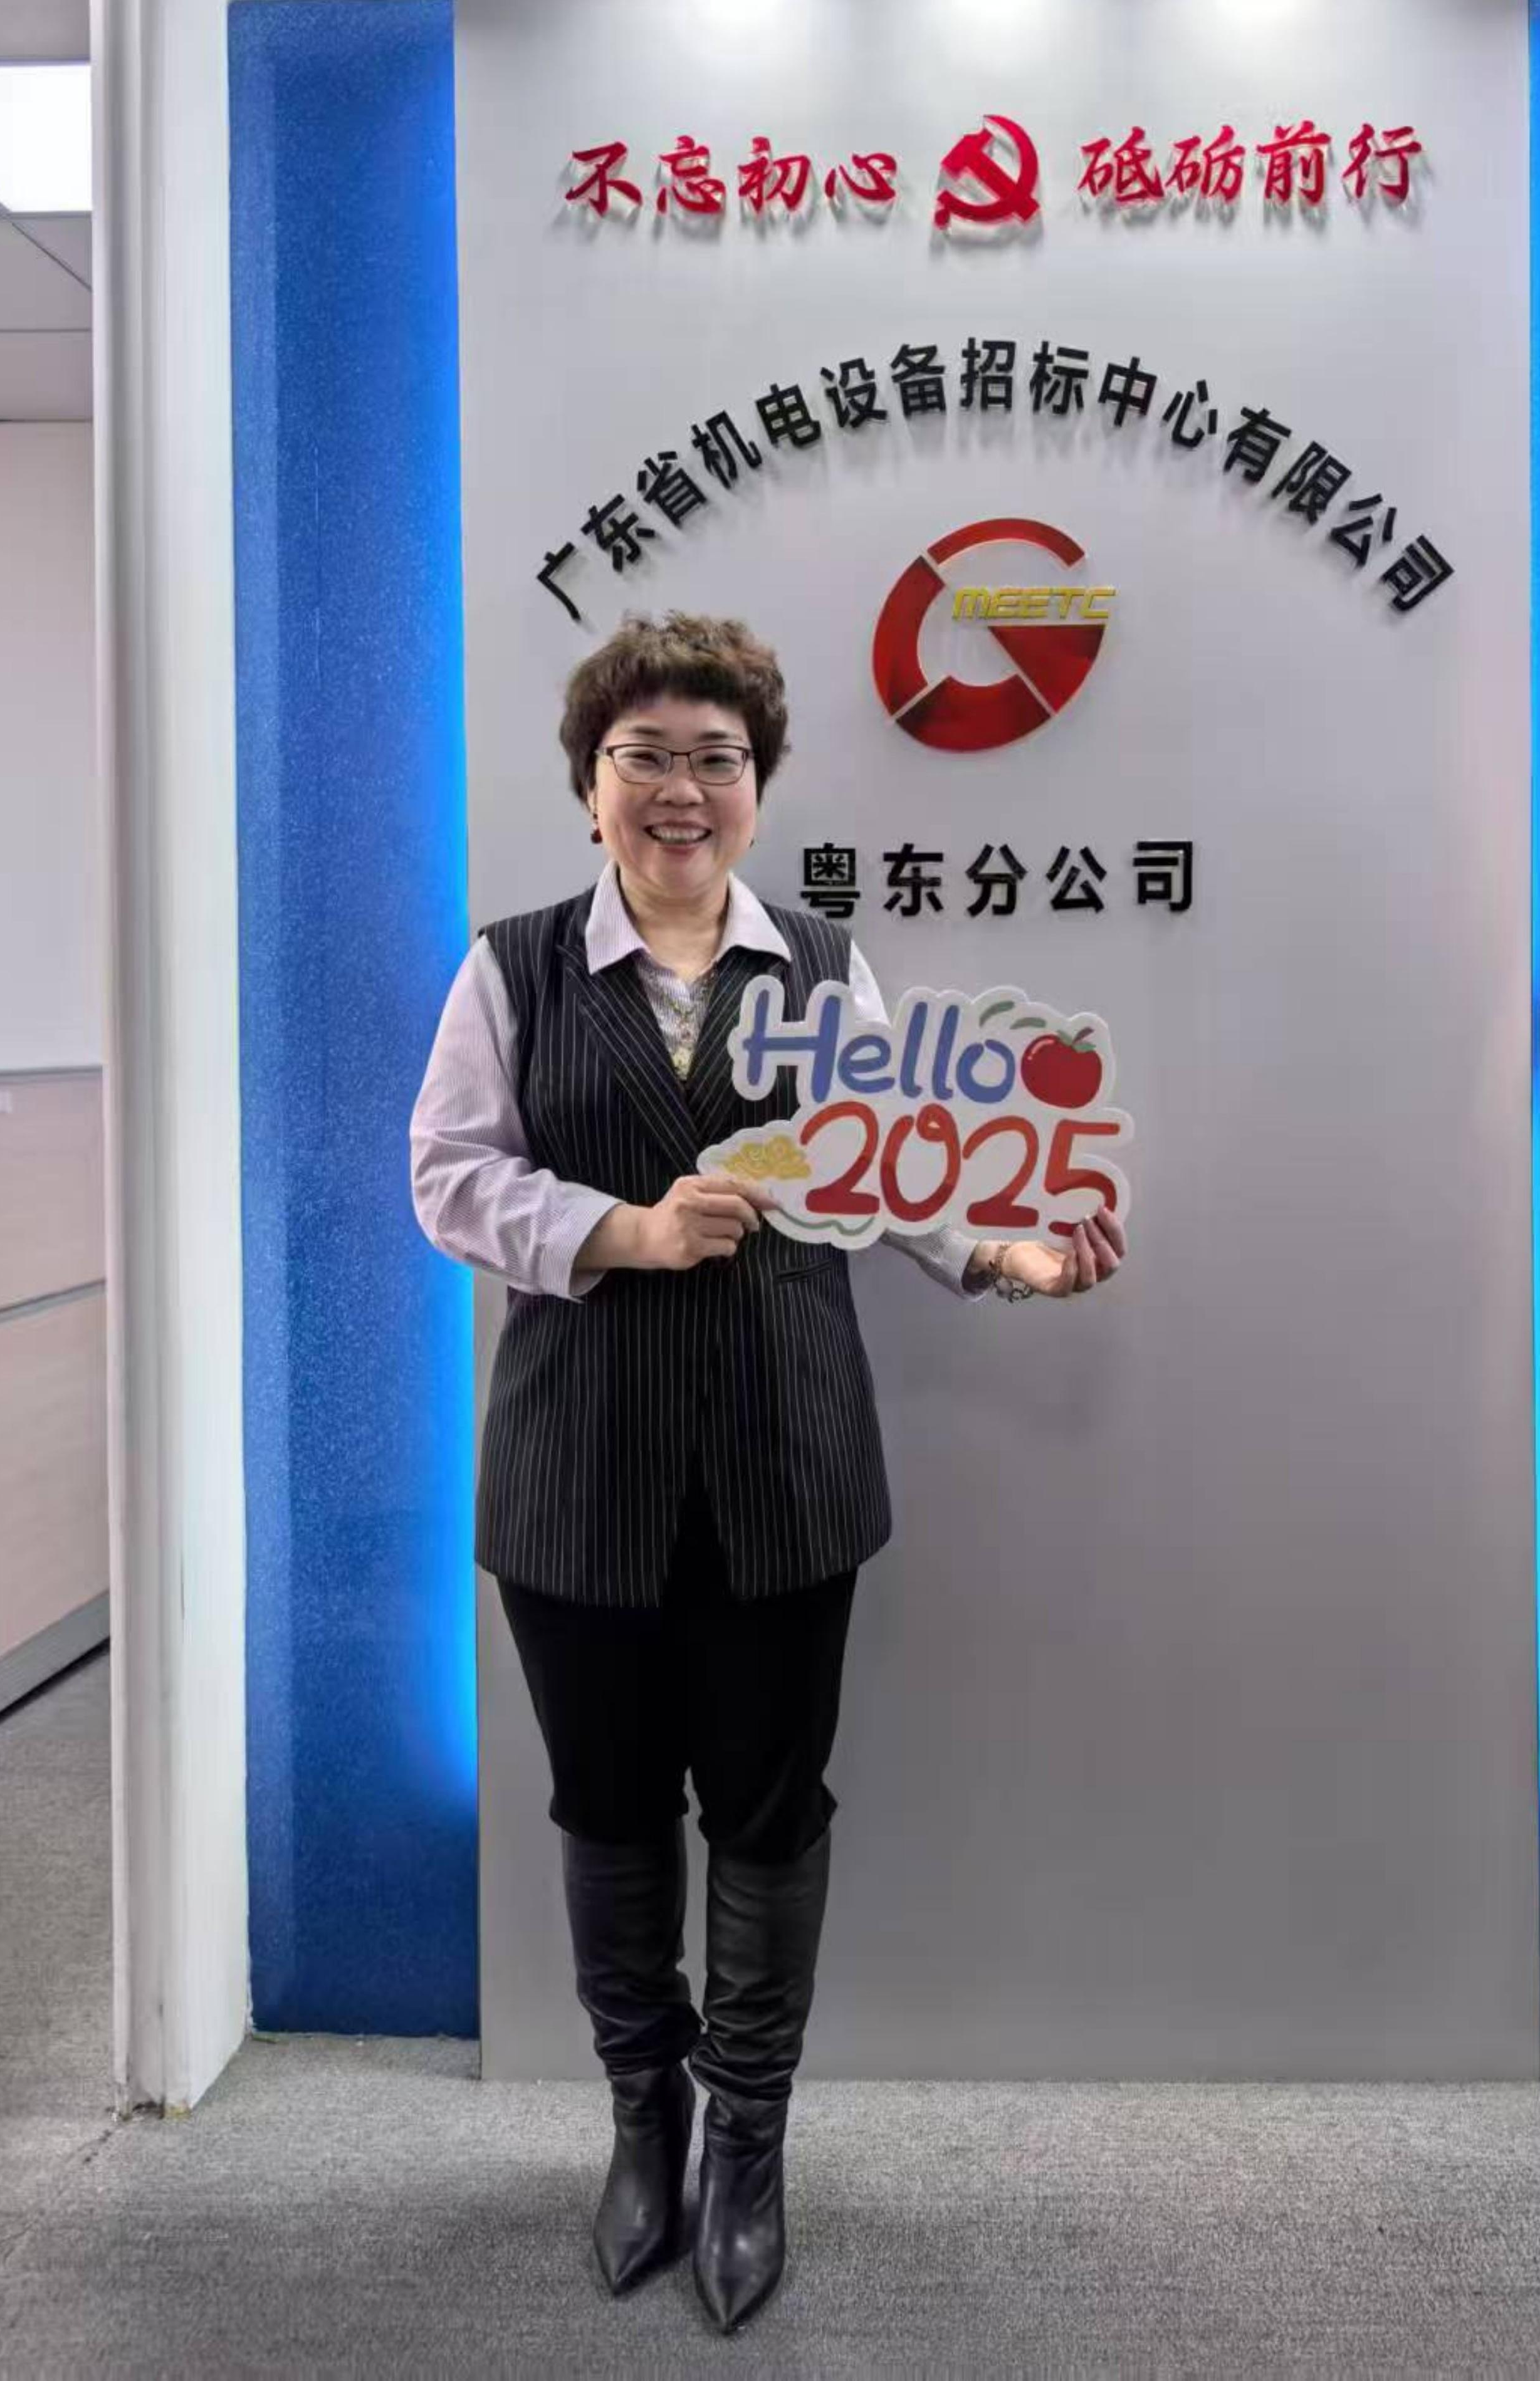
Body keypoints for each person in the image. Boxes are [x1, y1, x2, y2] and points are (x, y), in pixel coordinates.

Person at [409, 611, 1126, 2335]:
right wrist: (624, 1230)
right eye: (644, 757)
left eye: (715, 760)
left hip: (786, 1465)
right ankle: (640, 2122)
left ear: (758, 787)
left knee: (768, 1807)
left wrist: (1006, 1260)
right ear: (590, 787)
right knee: (604, 1804)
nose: (682, 788)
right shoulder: (510, 969)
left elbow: (887, 1173)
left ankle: (747, 2143)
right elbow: (447, 1176)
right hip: (576, 1475)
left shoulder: (819, 964)